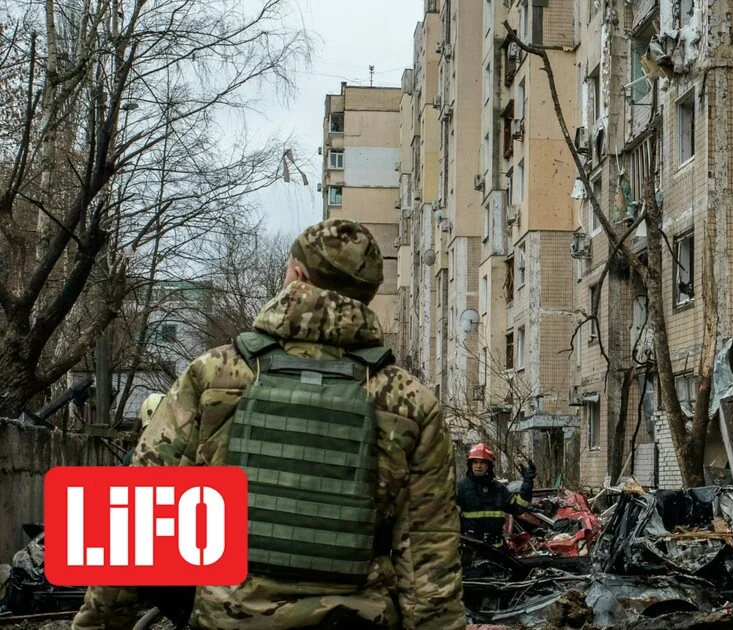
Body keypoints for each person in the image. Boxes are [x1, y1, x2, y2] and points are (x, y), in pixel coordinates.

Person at [72, 219, 465, 630]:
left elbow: (138, 518)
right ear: (368, 295)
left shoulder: (215, 374)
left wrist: (99, 623)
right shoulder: (410, 403)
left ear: (296, 274)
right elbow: (429, 562)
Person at [455, 443, 536, 546]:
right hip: (471, 549)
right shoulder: (460, 488)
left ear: (489, 465)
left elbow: (519, 507)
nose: (478, 466)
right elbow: (450, 520)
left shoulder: (499, 489)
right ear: (470, 464)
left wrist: (527, 483)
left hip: (497, 548)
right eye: (475, 462)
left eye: (482, 462)